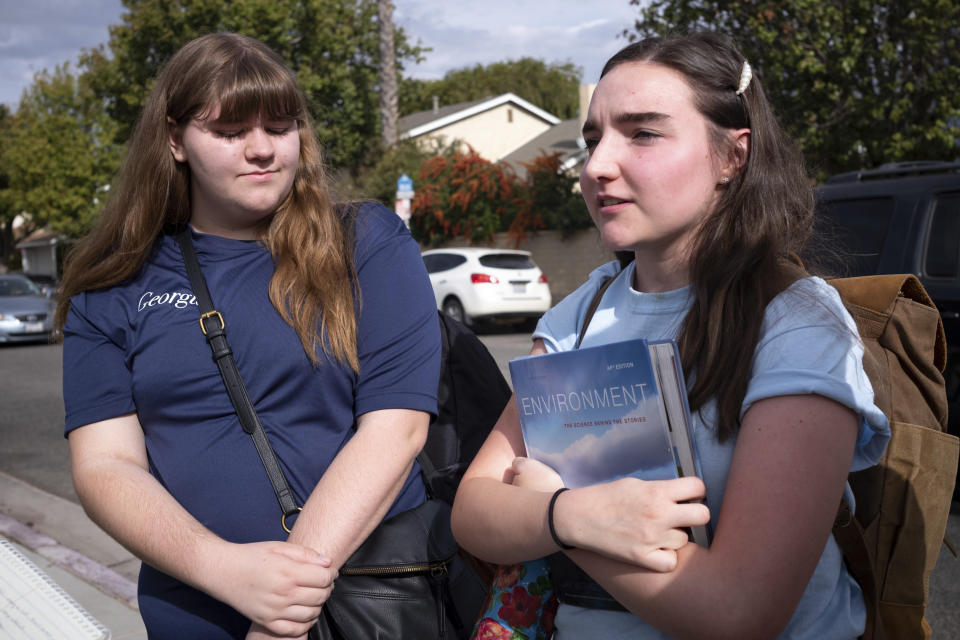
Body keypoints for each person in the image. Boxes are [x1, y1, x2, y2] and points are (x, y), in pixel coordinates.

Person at [451, 31, 889, 640]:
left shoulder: (795, 322)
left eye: (644, 133)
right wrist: (572, 512)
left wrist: (567, 521)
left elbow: (738, 613)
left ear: (733, 156)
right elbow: (474, 511)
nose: (597, 165)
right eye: (593, 138)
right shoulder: (577, 317)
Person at [55, 33, 441, 640]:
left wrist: (282, 611)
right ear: (176, 139)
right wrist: (224, 569)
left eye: (280, 127)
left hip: (372, 599)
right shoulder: (111, 285)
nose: (262, 150)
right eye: (230, 132)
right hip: (195, 612)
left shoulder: (366, 242)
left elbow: (396, 429)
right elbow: (106, 466)